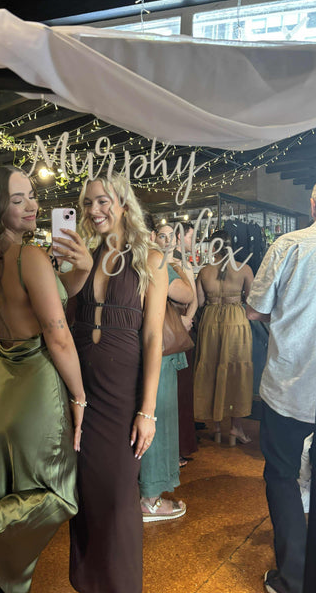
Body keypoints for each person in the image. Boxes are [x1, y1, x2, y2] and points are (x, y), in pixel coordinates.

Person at [0, 165, 89, 593]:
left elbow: (51, 294)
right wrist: (80, 397)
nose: (32, 205)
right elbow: (57, 334)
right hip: (35, 385)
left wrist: (81, 269)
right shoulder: (28, 256)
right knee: (57, 492)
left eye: (31, 195)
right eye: (18, 200)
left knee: (5, 492)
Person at [67, 172, 167, 593]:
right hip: (81, 392)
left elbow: (154, 337)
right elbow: (64, 315)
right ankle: (90, 584)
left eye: (103, 201)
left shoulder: (151, 259)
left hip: (122, 394)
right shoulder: (83, 254)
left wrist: (148, 411)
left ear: (123, 204)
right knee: (86, 497)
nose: (94, 210)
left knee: (119, 498)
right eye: (88, 202)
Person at [246, 173, 316, 593]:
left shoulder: (290, 244)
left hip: (289, 383)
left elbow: (255, 309)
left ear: (313, 207)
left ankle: (294, 578)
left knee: (282, 475)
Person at [139, 216, 192, 522]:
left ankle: (138, 491)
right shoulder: (154, 260)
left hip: (124, 349)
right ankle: (150, 498)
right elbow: (186, 294)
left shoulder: (112, 258)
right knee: (156, 420)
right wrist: (175, 266)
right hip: (156, 349)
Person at [193, 230, 254, 445]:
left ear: (212, 247)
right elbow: (252, 300)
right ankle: (236, 428)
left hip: (210, 321)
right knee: (237, 373)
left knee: (211, 370)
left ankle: (216, 427)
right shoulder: (244, 269)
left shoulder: (204, 271)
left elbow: (200, 302)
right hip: (236, 321)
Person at [173, 222, 199, 464]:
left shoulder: (184, 264)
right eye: (191, 237)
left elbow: (194, 301)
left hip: (179, 328)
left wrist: (186, 321)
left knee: (180, 388)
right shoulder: (174, 262)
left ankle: (179, 446)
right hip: (169, 326)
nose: (194, 241)